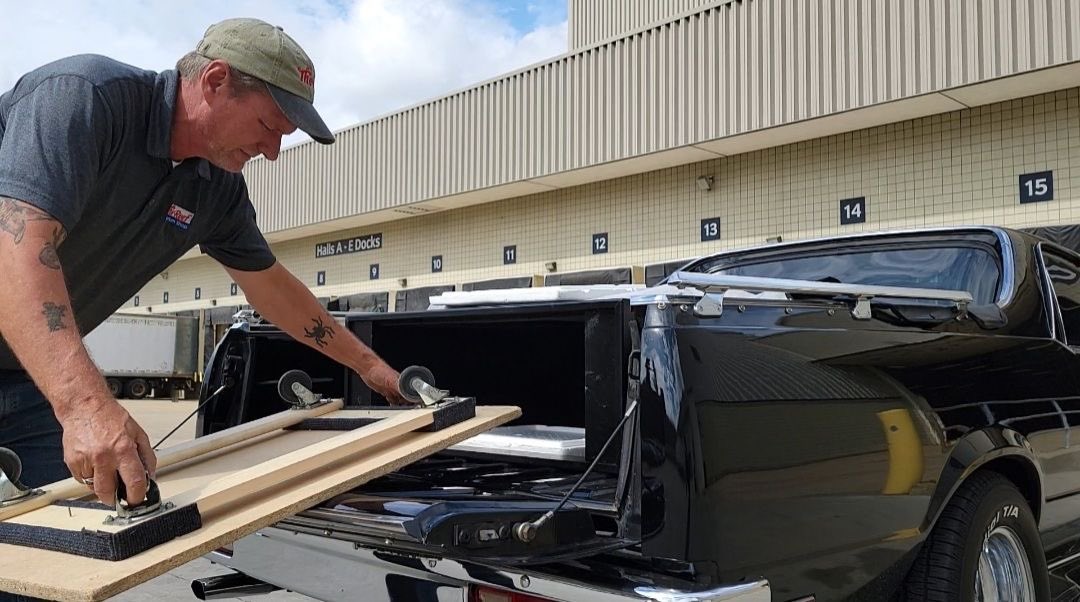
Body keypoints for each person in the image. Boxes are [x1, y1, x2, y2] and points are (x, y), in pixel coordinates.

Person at [0, 18, 409, 513]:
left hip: (26, 378)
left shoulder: (215, 190)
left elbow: (272, 287)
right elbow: (16, 247)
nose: (274, 152)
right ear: (215, 81)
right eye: (268, 127)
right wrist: (85, 405)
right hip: (51, 382)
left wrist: (371, 368)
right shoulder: (85, 98)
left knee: (60, 547)